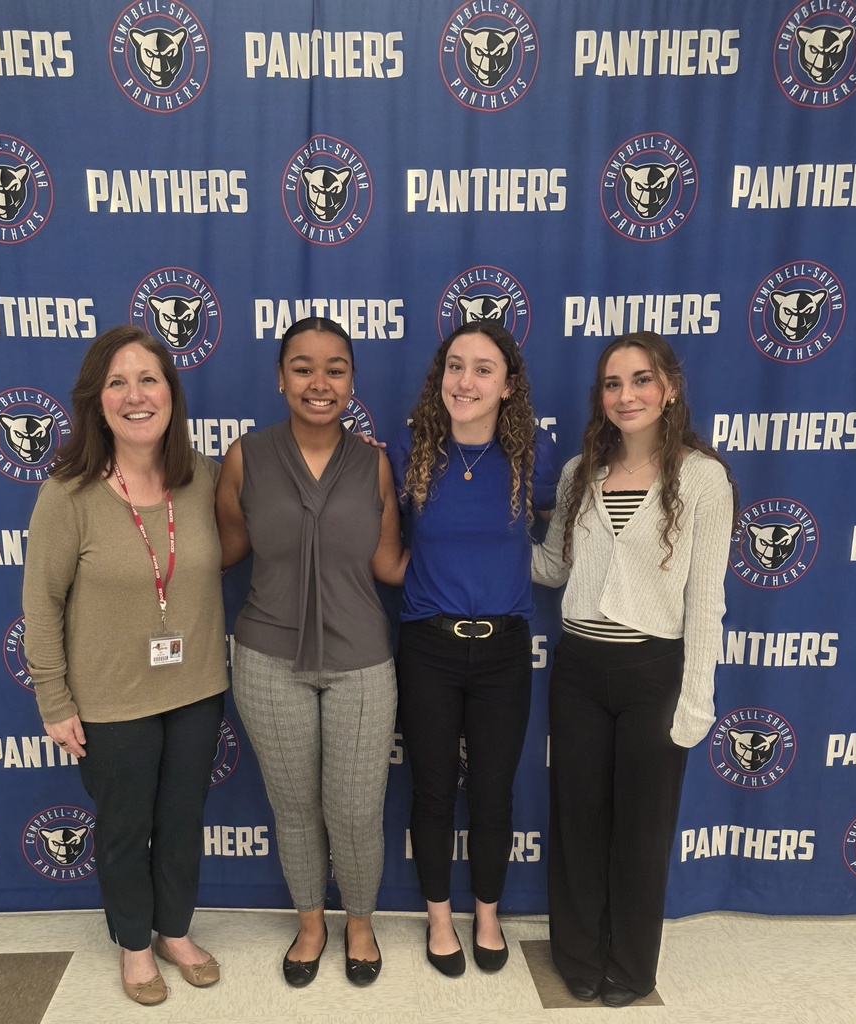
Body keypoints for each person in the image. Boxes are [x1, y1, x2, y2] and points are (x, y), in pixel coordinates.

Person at [22, 325, 228, 1006]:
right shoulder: (68, 493)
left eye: (149, 379)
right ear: (95, 400)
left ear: (171, 393)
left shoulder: (200, 479)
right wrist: (54, 699)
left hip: (196, 688)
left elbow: (284, 512)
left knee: (181, 821)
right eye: (118, 382)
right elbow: (42, 604)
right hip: (110, 699)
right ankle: (134, 945)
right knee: (122, 828)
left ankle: (174, 930)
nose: (136, 395)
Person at [531, 331, 736, 1007]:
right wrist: (484, 543)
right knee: (578, 822)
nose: (627, 396)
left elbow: (707, 599)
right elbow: (555, 569)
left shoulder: (702, 477)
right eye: (613, 384)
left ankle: (631, 965)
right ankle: (579, 956)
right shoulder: (577, 474)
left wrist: (695, 701)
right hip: (580, 669)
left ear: (669, 387)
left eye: (641, 380)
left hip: (654, 671)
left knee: (641, 832)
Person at [214, 316, 407, 987]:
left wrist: (478, 550)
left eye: (335, 369)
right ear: (280, 377)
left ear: (352, 381)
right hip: (268, 660)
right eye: (302, 367)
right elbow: (225, 551)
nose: (319, 383)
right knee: (293, 805)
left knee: (355, 809)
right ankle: (309, 922)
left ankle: (359, 921)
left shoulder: (374, 462)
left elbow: (388, 564)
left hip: (361, 663)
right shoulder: (246, 457)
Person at [386, 321, 559, 977]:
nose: (466, 381)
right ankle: (437, 918)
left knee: (493, 791)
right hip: (427, 646)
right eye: (456, 366)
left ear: (508, 386)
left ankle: (487, 915)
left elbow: (571, 528)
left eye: (484, 369)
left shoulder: (531, 459)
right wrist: (428, 578)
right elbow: (379, 540)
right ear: (441, 378)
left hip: (504, 651)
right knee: (431, 789)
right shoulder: (410, 450)